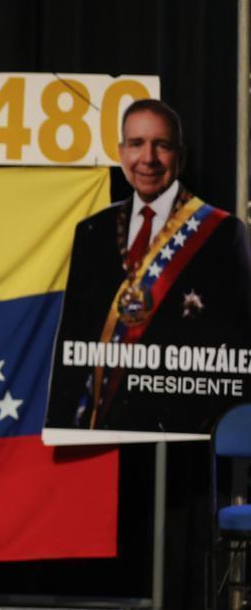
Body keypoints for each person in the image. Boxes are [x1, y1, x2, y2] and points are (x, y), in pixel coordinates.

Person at [47, 99, 251, 433]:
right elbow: (73, 339)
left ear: (179, 156)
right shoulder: (92, 231)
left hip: (185, 432)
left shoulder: (222, 233)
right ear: (120, 152)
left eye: (162, 146)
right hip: (106, 431)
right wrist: (61, 428)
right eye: (137, 144)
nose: (148, 159)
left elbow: (238, 347)